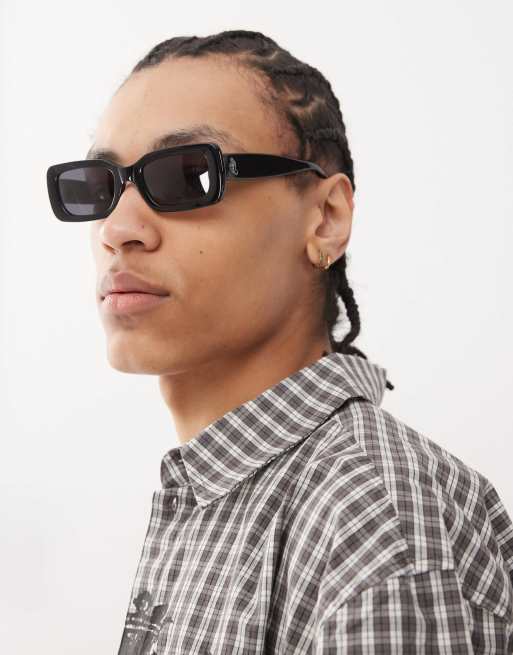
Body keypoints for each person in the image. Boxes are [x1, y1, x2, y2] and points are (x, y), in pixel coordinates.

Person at [46, 29, 513, 653]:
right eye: (101, 186)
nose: (117, 229)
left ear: (326, 219)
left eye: (186, 175)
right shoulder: (227, 490)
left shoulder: (371, 521)